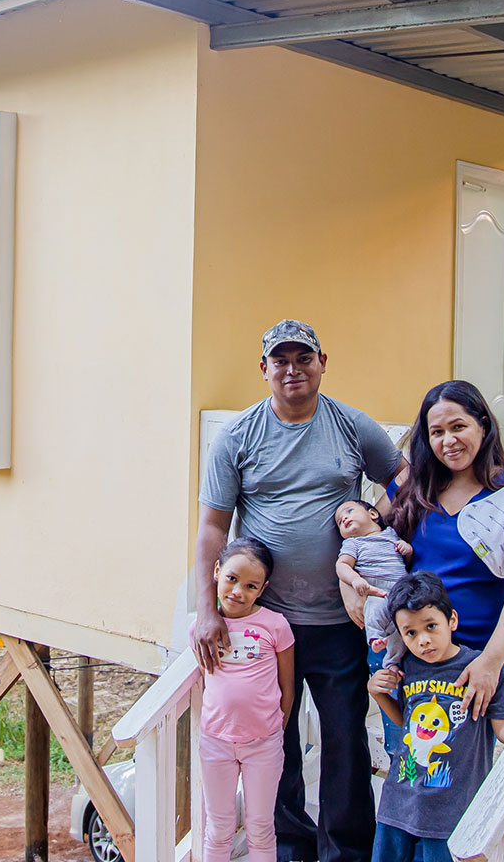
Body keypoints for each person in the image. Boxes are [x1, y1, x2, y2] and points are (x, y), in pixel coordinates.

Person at [196, 319, 406, 862]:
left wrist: (372, 519)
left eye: (303, 358)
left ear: (322, 362)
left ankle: (346, 853)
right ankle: (288, 848)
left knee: (344, 742)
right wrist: (207, 609)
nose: (293, 369)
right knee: (276, 744)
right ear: (264, 369)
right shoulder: (238, 437)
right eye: (280, 360)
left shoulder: (352, 426)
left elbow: (403, 484)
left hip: (342, 622)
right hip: (265, 625)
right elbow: (213, 530)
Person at [381, 380, 504, 716]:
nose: (448, 441)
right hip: (413, 656)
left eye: (458, 426)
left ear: (483, 425)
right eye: (437, 432)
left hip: (475, 658)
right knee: (408, 760)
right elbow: (367, 533)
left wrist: (491, 662)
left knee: (469, 763)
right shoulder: (414, 486)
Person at [366, 572, 504, 862]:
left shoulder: (480, 670)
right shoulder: (408, 667)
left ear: (451, 620)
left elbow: (502, 729)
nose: (423, 641)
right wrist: (378, 693)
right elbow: (408, 724)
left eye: (431, 626)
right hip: (399, 801)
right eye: (411, 633)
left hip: (450, 810)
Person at [194, 540, 296, 862]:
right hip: (216, 742)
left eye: (250, 586)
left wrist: (276, 727)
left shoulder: (275, 625)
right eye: (232, 579)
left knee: (261, 826)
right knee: (219, 826)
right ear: (217, 572)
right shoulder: (203, 627)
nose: (238, 591)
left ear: (262, 588)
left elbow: (287, 686)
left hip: (263, 744)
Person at [332, 499, 411, 667]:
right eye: (339, 522)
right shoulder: (352, 543)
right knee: (373, 609)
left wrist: (407, 549)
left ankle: (394, 661)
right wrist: (355, 580)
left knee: (404, 625)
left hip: (402, 589)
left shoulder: (391, 534)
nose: (344, 518)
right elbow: (342, 565)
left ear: (373, 514)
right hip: (377, 591)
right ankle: (376, 639)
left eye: (349, 511)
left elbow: (406, 559)